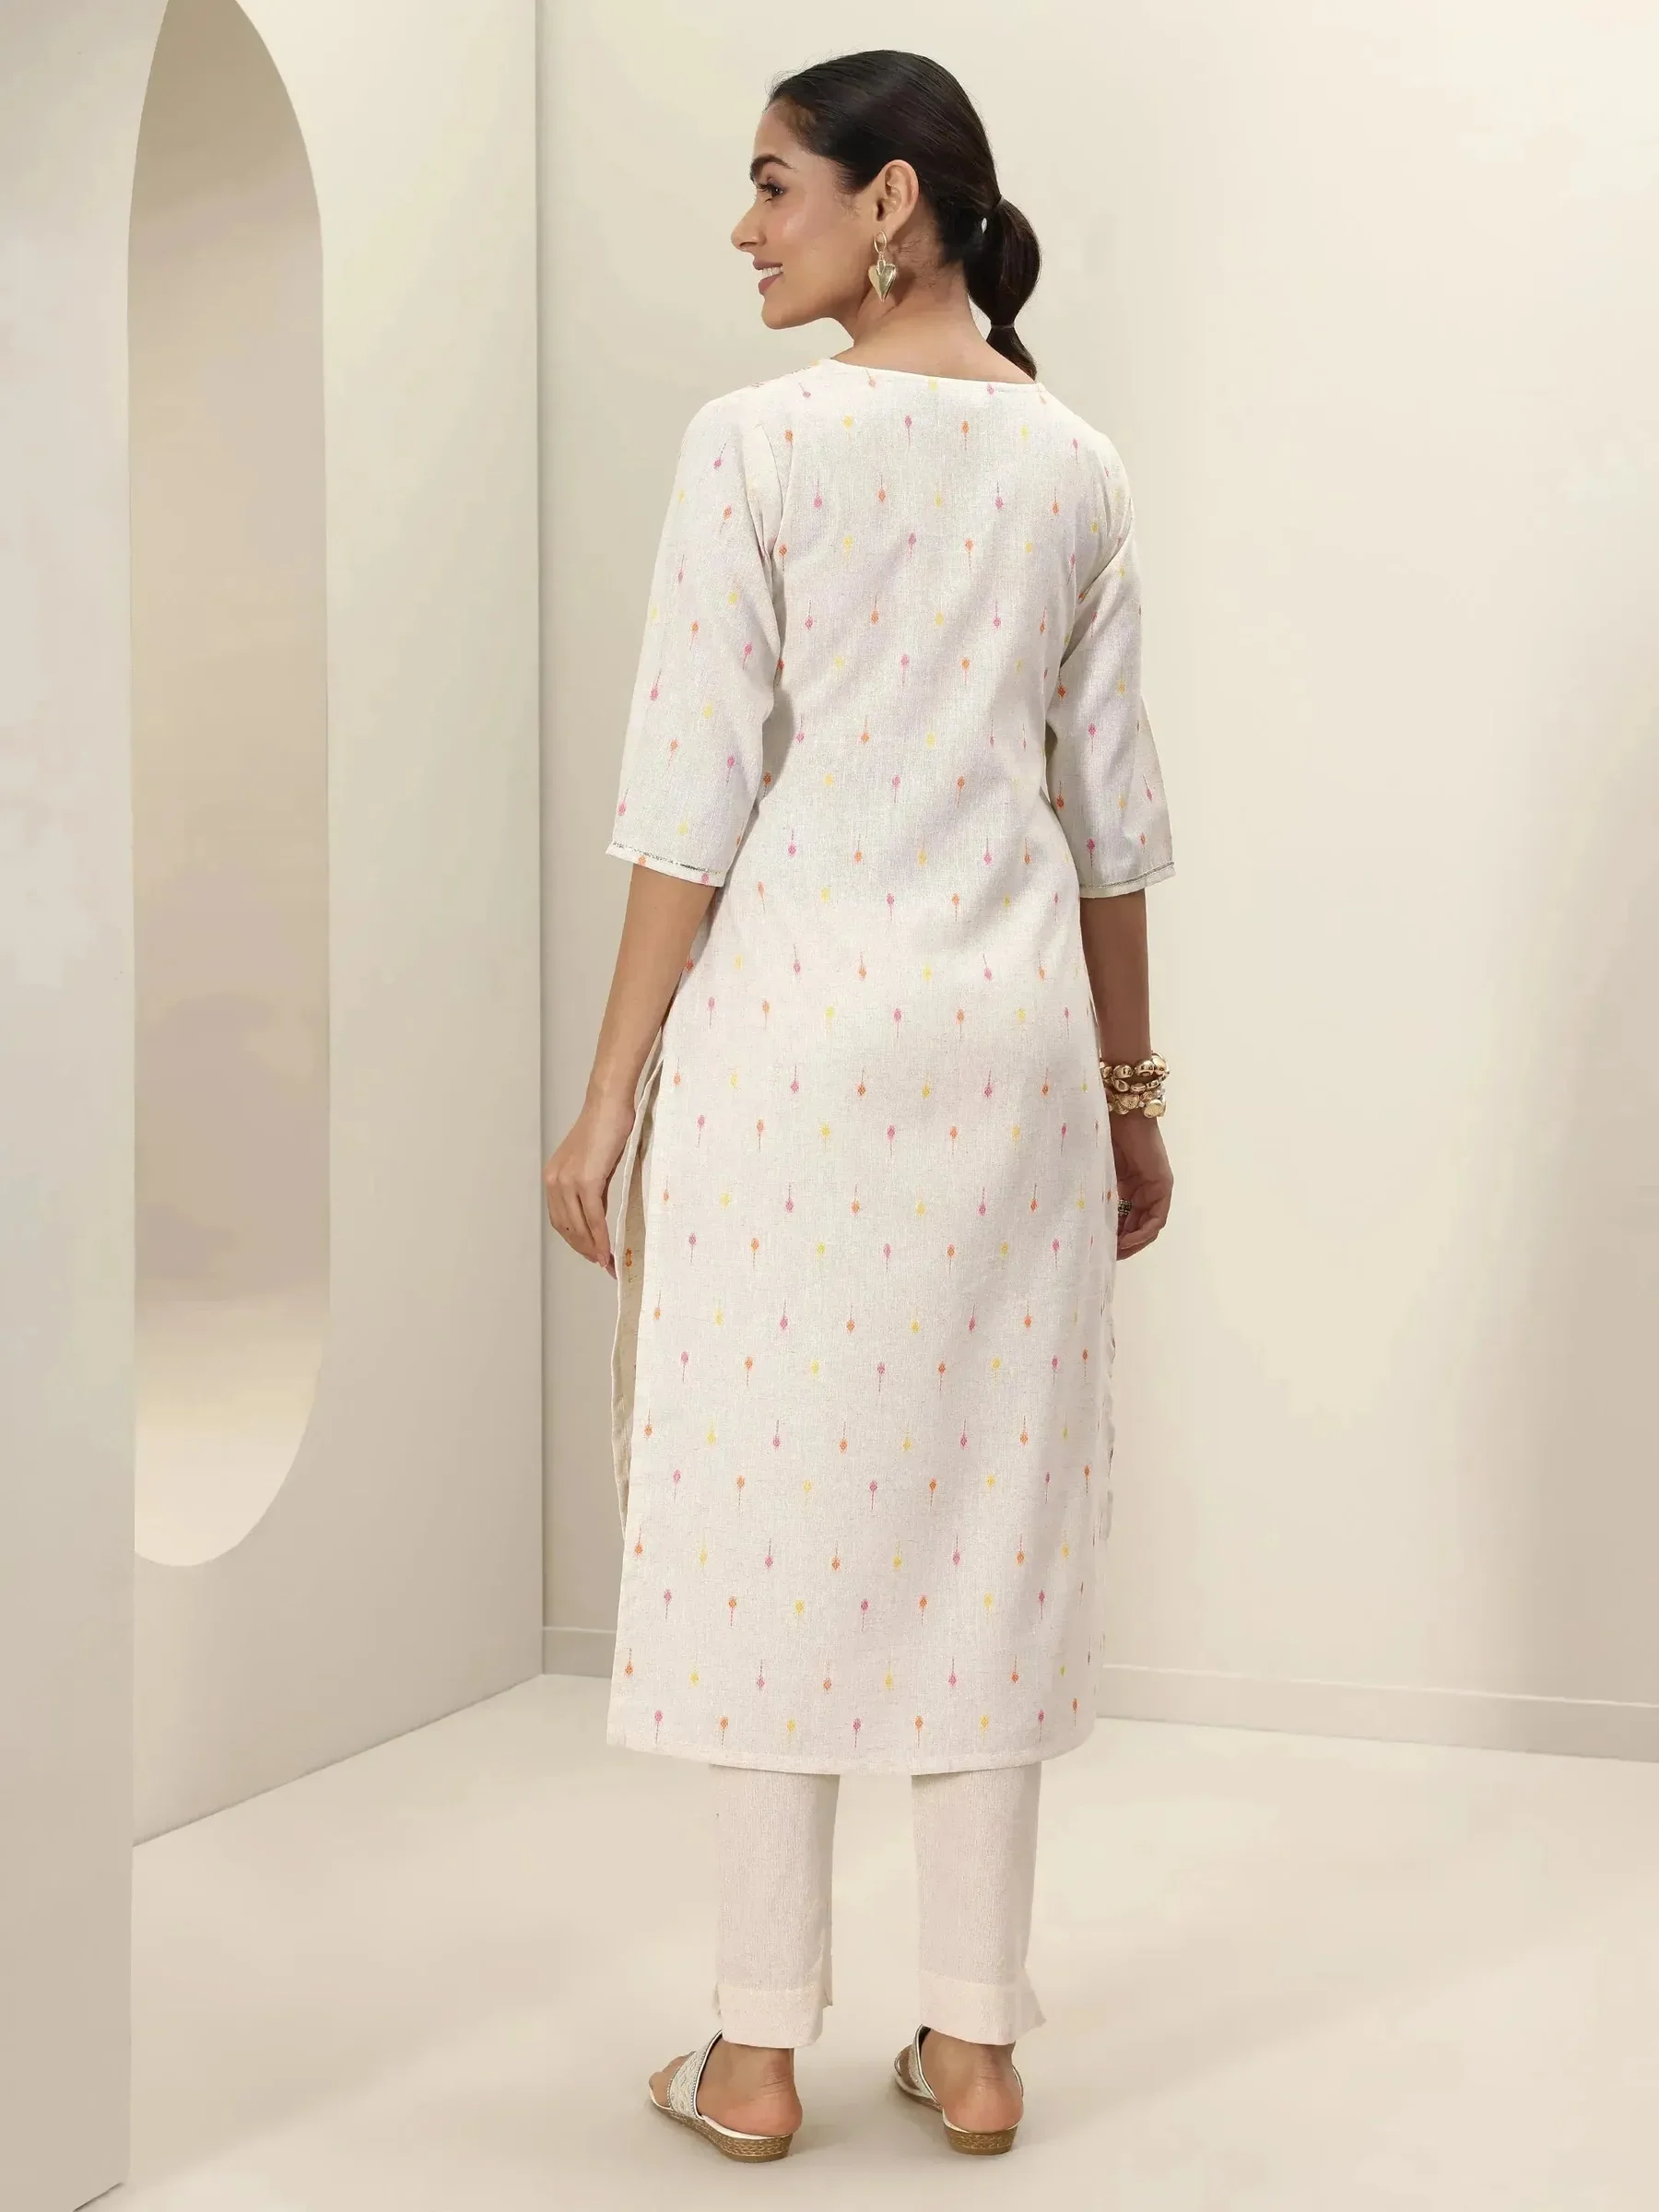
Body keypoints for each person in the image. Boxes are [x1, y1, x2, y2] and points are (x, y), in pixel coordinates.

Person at [543, 47, 1176, 2162]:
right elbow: (1111, 829)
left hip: (793, 1060)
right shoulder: (1076, 466)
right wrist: (1131, 1096)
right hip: (1008, 1065)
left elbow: (690, 798)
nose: (745, 231)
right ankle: (976, 2043)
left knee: (764, 1520)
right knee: (991, 1519)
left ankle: (752, 2053)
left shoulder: (756, 445)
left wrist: (608, 1095)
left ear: (889, 201)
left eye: (774, 186)